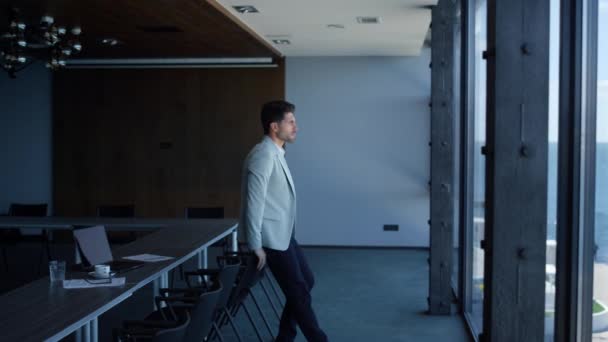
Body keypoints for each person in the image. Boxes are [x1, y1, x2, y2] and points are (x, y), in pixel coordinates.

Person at [239, 100, 328, 342]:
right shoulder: (264, 156)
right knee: (298, 290)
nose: (295, 127)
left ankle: (284, 337)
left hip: (284, 234)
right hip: (270, 238)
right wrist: (255, 245)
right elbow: (254, 203)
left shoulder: (275, 152)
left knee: (306, 281)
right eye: (290, 122)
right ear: (274, 127)